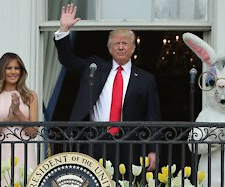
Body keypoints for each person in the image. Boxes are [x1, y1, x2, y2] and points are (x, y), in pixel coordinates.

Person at [54, 3, 161, 172]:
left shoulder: (146, 79)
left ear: (133, 48)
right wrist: (64, 30)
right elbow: (68, 59)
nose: (120, 47)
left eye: (125, 43)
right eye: (116, 43)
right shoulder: (93, 68)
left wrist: (153, 150)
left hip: (130, 144)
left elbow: (153, 117)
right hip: (95, 141)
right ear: (110, 48)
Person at [0, 52, 38, 187]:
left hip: (23, 151)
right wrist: (8, 117)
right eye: (9, 68)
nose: (13, 72)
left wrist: (18, 112)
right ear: (2, 71)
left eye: (17, 68)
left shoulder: (30, 96)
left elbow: (34, 132)